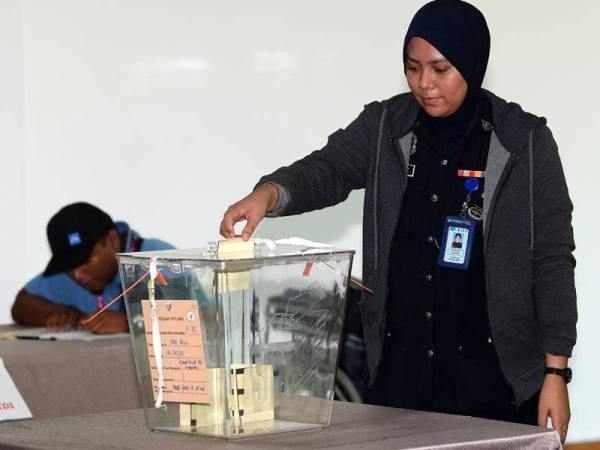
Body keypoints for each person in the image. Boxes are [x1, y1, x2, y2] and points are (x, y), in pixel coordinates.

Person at [220, 0, 577, 442]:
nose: (424, 83)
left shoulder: (524, 142)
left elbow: (553, 260)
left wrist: (556, 373)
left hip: (495, 385)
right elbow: (328, 168)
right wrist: (269, 194)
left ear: (472, 62)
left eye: (440, 69)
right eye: (412, 68)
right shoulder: (386, 124)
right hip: (399, 382)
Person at [12, 202, 174, 334]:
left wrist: (131, 322)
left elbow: (197, 315)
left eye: (85, 261)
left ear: (112, 240)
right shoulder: (71, 274)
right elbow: (22, 304)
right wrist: (63, 312)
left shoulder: (159, 258)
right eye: (69, 266)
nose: (78, 275)